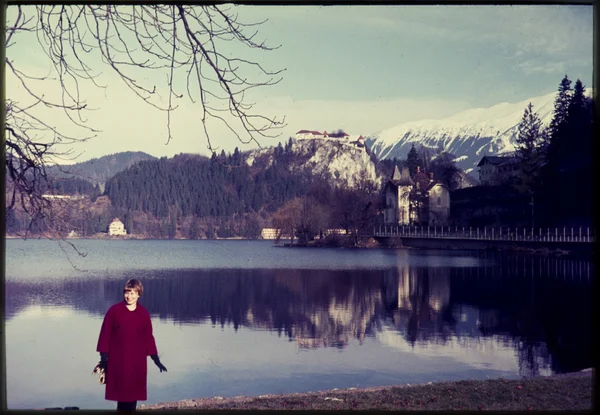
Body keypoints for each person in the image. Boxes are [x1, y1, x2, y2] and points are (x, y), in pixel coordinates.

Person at [94, 279, 167, 411]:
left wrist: (155, 358)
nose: (129, 296)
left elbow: (148, 337)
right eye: (127, 292)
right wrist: (104, 358)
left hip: (137, 362)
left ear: (139, 294)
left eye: (133, 293)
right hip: (118, 361)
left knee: (133, 397)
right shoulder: (114, 311)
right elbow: (105, 334)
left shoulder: (143, 314)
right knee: (122, 398)